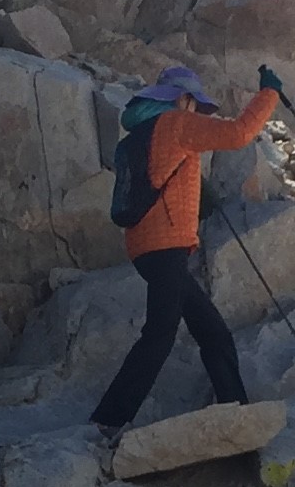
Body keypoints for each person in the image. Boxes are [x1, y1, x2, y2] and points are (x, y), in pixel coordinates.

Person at [89, 63, 283, 439]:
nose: (196, 111)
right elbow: (240, 133)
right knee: (160, 333)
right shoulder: (176, 124)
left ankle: (234, 409)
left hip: (146, 246)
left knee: (211, 330)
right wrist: (268, 94)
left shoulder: (142, 133)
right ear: (183, 99)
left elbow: (162, 177)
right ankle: (108, 420)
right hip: (166, 246)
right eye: (195, 103)